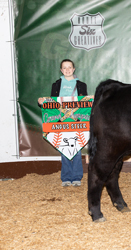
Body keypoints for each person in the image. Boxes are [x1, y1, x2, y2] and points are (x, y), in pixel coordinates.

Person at [38, 59, 88, 187]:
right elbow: (52, 103)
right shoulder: (56, 84)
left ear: (74, 69)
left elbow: (85, 103)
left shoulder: (82, 85)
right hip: (61, 121)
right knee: (64, 148)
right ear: (61, 70)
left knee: (76, 149)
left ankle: (76, 176)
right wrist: (43, 100)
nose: (67, 70)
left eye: (69, 67)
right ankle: (66, 177)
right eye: (64, 68)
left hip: (76, 121)